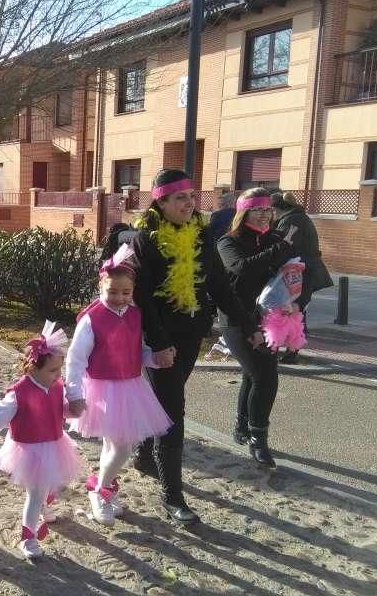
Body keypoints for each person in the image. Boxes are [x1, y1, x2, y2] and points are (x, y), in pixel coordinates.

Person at [129, 168, 260, 525]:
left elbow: (219, 286)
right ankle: (173, 496)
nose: (189, 203)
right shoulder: (147, 239)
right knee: (173, 409)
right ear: (161, 202)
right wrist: (157, 343)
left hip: (191, 335)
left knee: (164, 400)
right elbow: (143, 298)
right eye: (180, 198)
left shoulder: (201, 235)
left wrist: (248, 324)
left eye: (191, 196)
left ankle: (143, 454)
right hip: (161, 338)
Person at [66, 244, 173, 526]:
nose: (119, 297)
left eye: (126, 292)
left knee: (113, 446)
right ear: (100, 287)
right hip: (103, 388)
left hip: (131, 385)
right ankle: (100, 490)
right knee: (123, 447)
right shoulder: (92, 319)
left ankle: (103, 486)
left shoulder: (135, 315)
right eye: (112, 291)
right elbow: (76, 359)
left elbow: (135, 351)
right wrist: (73, 393)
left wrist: (154, 359)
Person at [0, 322, 81, 559]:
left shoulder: (56, 386)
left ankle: (44, 506)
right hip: (29, 450)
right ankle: (28, 536)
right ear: (33, 369)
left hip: (54, 443)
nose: (58, 375)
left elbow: (61, 411)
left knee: (49, 482)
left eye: (59, 370)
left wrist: (75, 409)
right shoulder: (19, 393)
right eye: (53, 370)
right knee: (35, 491)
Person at [217, 189, 302, 467]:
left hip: (271, 319)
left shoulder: (277, 238)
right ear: (244, 213)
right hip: (238, 319)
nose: (265, 214)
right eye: (258, 209)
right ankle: (259, 440)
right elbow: (242, 268)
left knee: (253, 375)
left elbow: (295, 271)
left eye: (268, 209)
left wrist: (293, 298)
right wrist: (281, 248)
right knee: (265, 377)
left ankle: (243, 427)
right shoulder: (228, 241)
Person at [271, 191, 333, 364]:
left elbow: (282, 247)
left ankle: (290, 351)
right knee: (297, 310)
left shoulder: (291, 220)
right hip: (303, 272)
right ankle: (291, 350)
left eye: (271, 211)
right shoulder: (298, 217)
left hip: (299, 274)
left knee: (294, 311)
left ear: (277, 208)